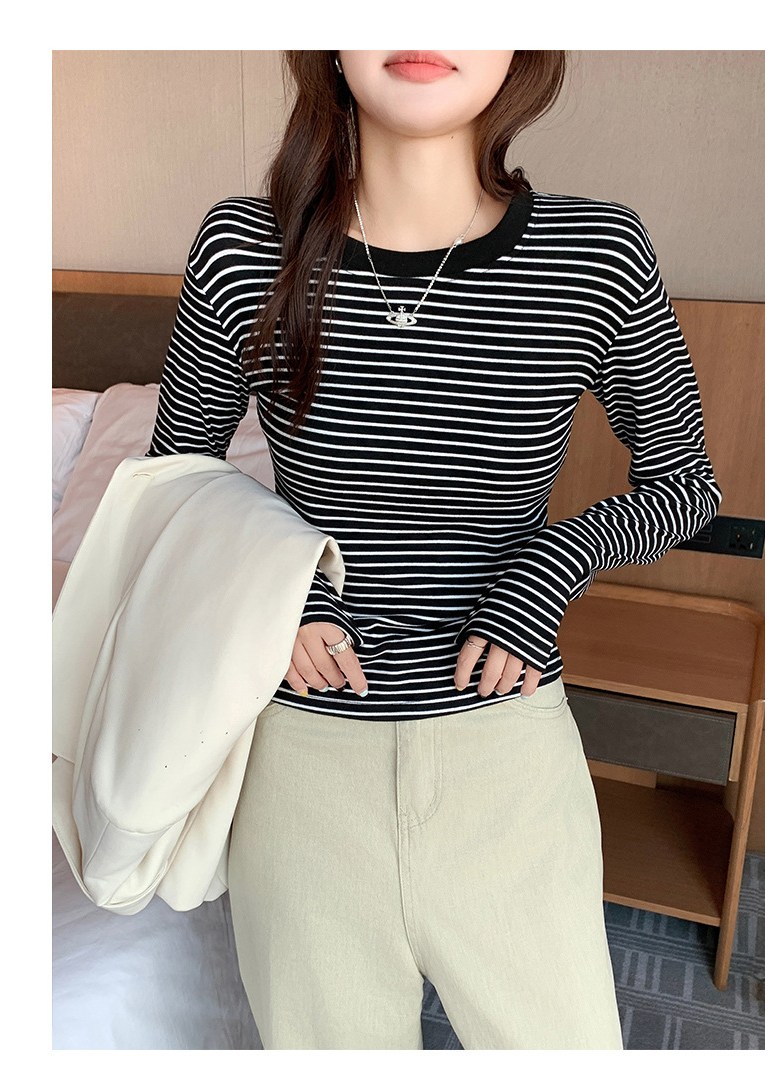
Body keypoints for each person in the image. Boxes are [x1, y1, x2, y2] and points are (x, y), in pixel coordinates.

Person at [146, 50, 722, 1050]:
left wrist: (549, 566)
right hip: (302, 765)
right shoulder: (246, 246)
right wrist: (281, 587)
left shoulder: (596, 251)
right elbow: (173, 487)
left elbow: (687, 484)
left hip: (506, 760)